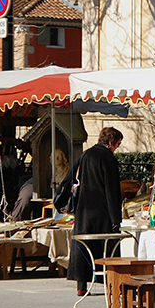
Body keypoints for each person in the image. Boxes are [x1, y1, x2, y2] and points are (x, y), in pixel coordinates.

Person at [67, 127, 123, 296]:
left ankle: (81, 285)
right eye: (118, 144)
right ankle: (110, 283)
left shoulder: (86, 155)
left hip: (84, 208)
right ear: (111, 142)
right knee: (107, 248)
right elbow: (112, 190)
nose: (117, 147)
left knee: (84, 247)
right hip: (102, 210)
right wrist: (116, 218)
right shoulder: (108, 158)